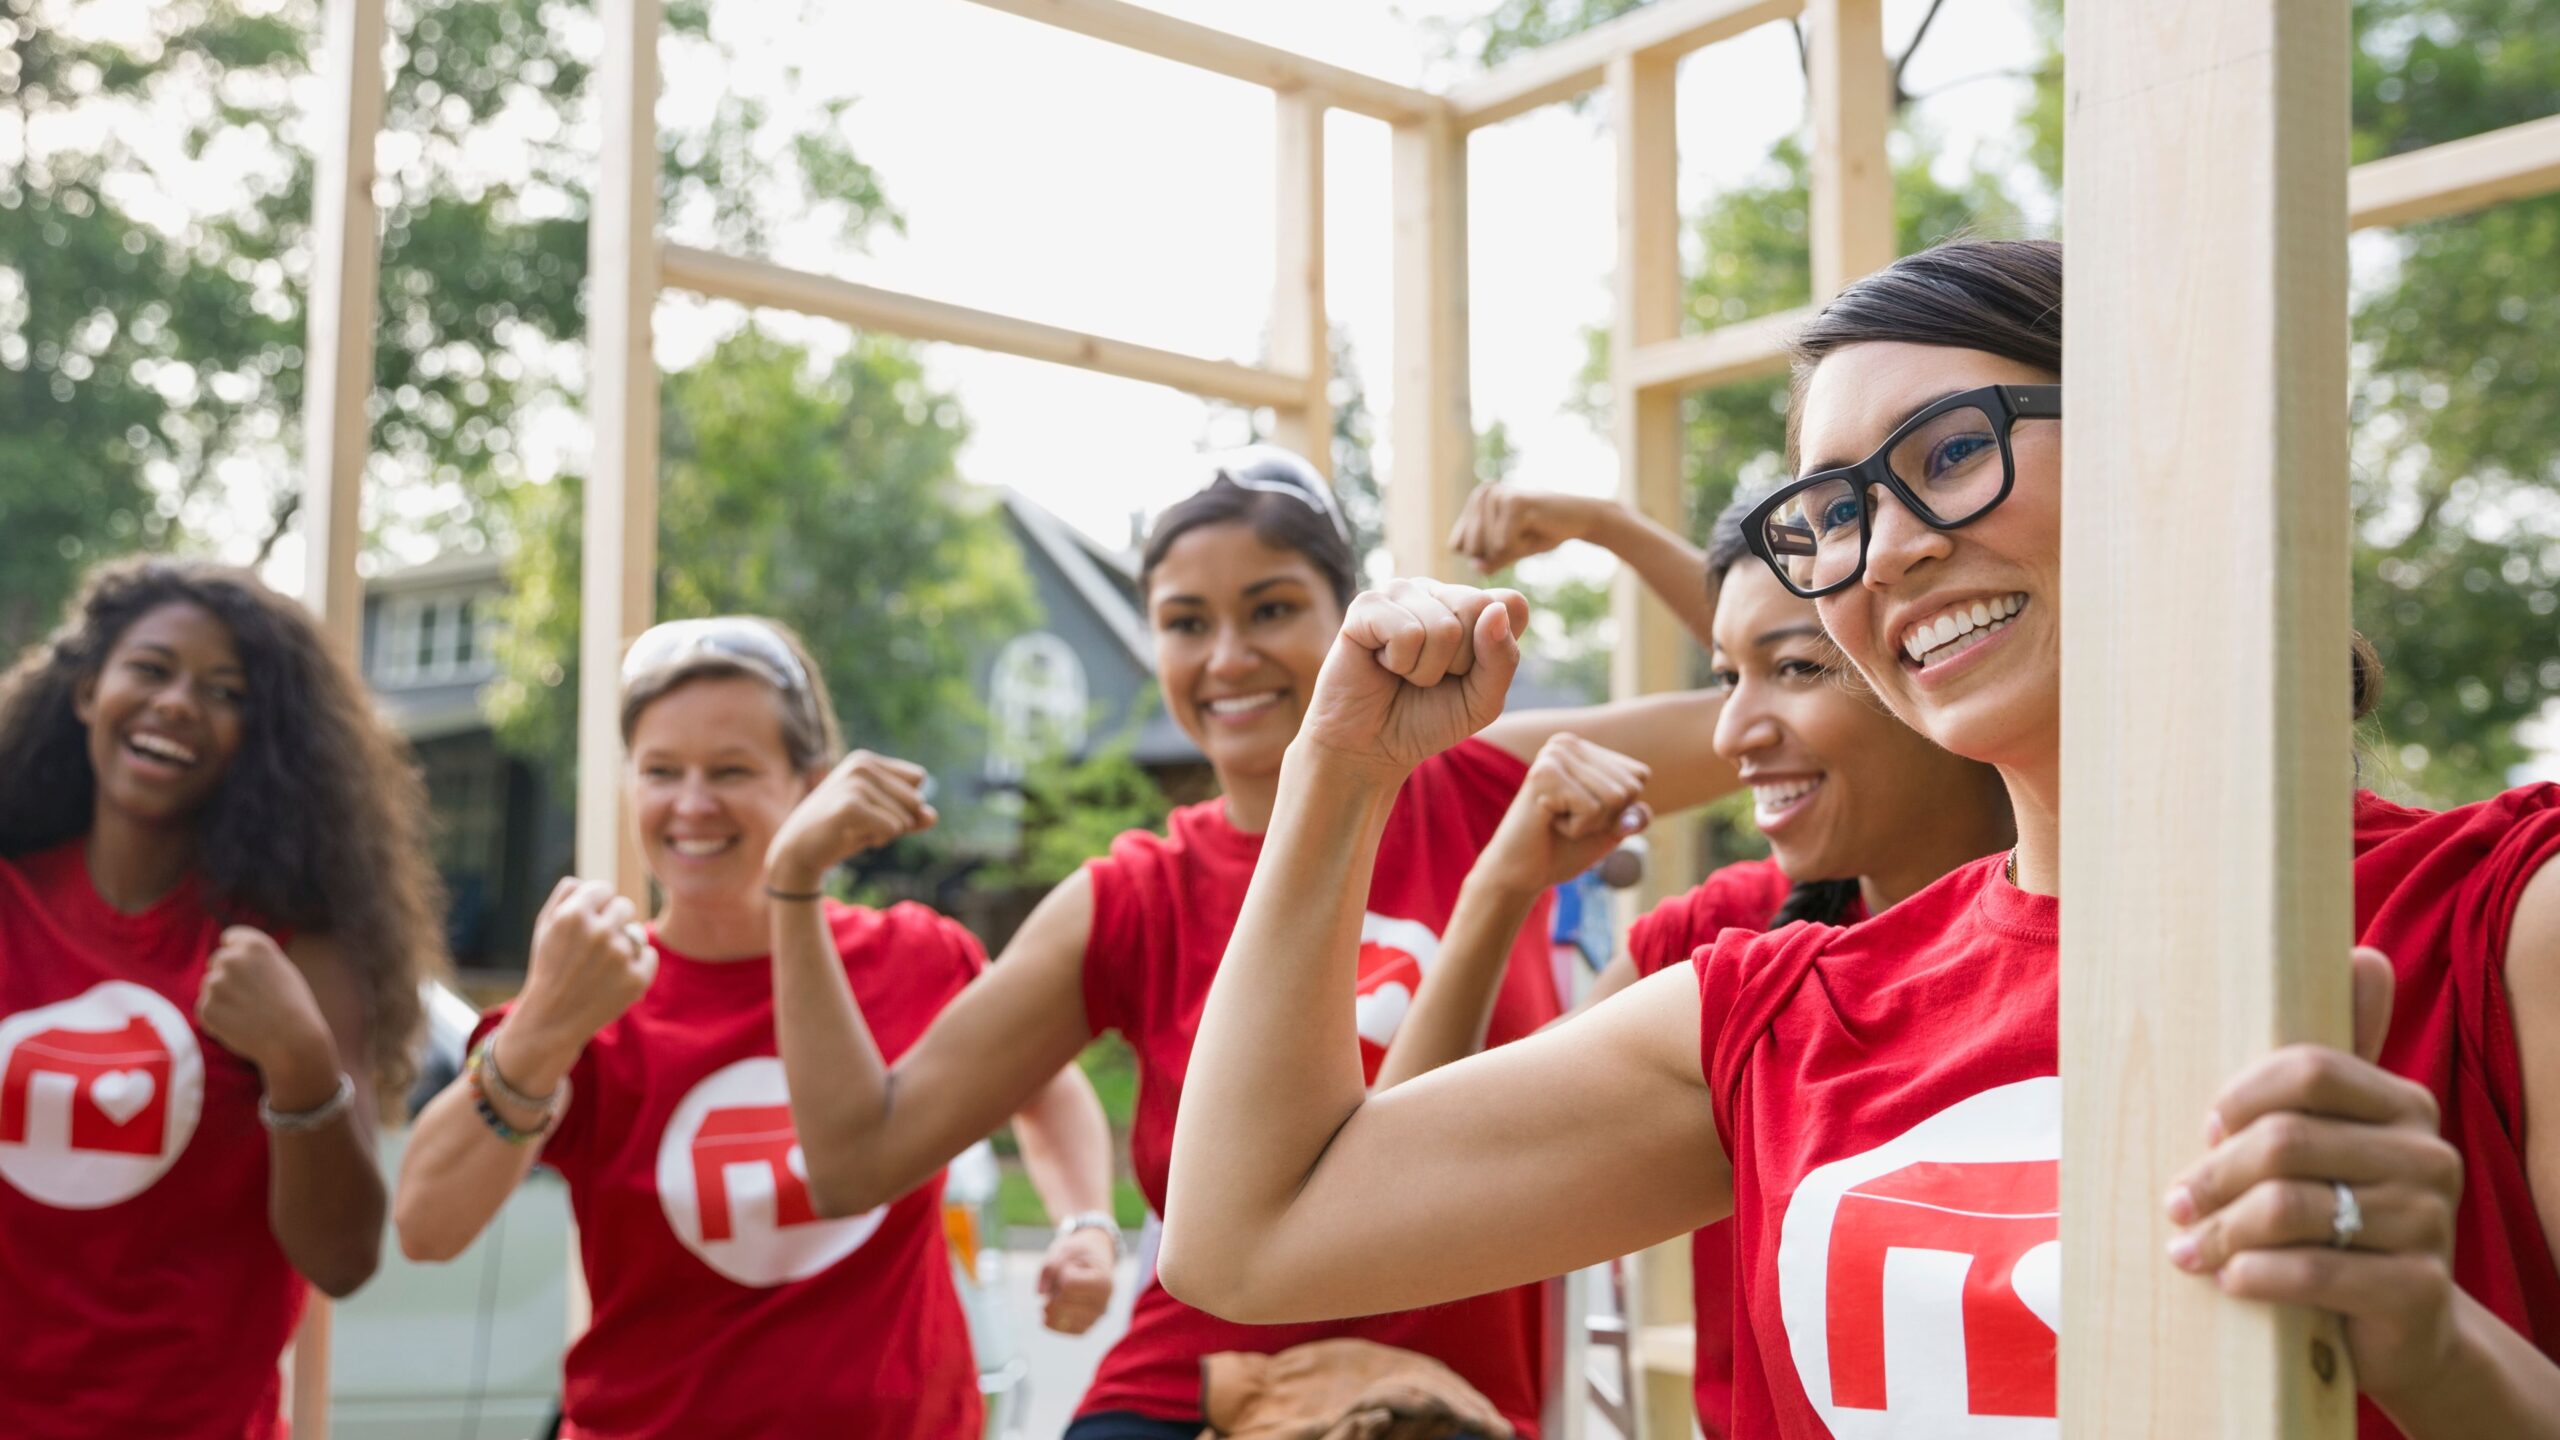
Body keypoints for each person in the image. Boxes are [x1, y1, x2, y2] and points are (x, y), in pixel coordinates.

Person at [1160, 239, 2560, 1440]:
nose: (1884, 550)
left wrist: (2432, 1347)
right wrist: (1338, 774)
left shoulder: (2505, 919)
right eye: (1832, 510)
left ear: (2174, 438)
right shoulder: (1779, 1016)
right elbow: (1250, 1232)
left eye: (1950, 452)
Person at [752, 446, 1741, 1440]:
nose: (1227, 657)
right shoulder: (1133, 896)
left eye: (1270, 609)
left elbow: (1781, 698)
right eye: (1186, 623)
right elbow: (857, 1160)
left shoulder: (1486, 783)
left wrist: (1605, 523)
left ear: (1353, 613)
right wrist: (791, 889)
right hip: (1189, 1394)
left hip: (1445, 1404)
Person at [392, 616, 1117, 1438]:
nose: (692, 805)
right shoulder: (593, 984)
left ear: (811, 786)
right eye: (661, 771)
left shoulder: (913, 957)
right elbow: (425, 1224)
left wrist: (1087, 1225)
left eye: (731, 770)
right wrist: (541, 1031)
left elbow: (1046, 1088)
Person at [1384, 492, 2013, 1435]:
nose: (1728, 737)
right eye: (1723, 681)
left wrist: (1610, 526)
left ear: (1929, 657)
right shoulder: (1726, 951)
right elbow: (1402, 1187)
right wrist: (1496, 889)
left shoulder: (2135, 930)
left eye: (1795, 668)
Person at [0, 558, 445, 1440]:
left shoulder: (293, 955)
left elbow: (345, 1259)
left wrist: (300, 1063)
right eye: (151, 669)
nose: (176, 703)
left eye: (225, 692)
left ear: (262, 738)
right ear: (88, 691)